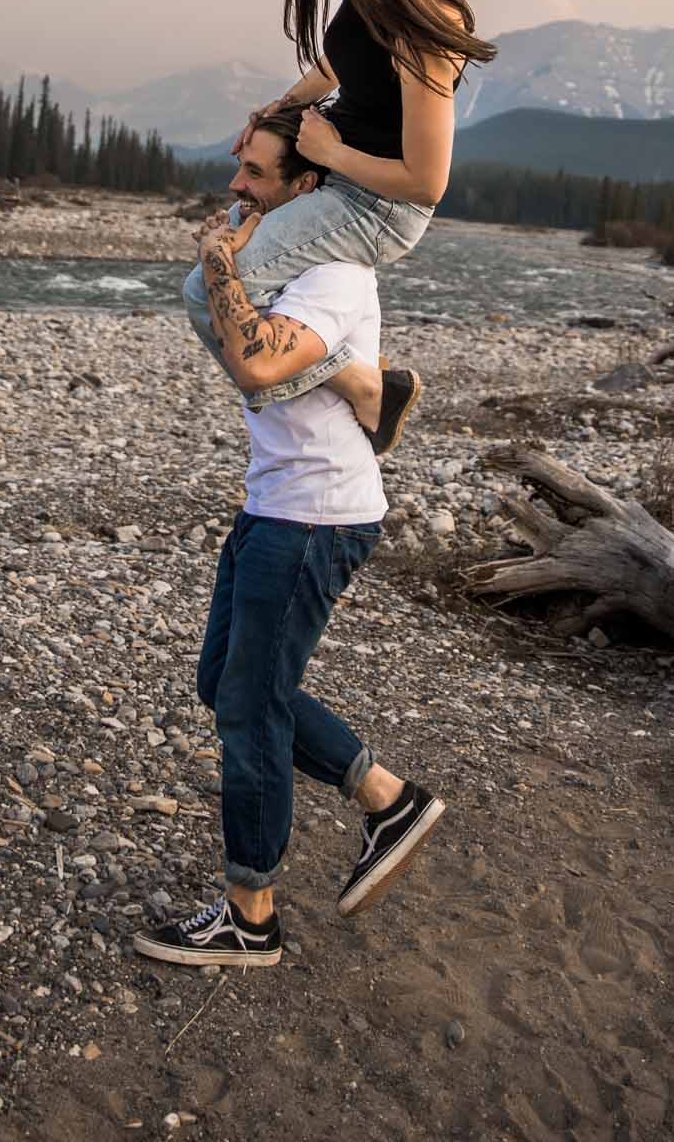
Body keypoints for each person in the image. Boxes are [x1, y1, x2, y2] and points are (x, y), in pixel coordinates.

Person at [135, 108, 445, 968]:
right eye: (238, 171)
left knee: (249, 705)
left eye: (257, 177)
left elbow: (258, 364)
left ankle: (251, 912)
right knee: (224, 682)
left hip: (317, 518)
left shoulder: (335, 274)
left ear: (306, 190)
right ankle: (387, 798)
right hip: (274, 506)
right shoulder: (282, 259)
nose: (236, 187)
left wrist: (214, 260)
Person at [183, 0, 495, 455]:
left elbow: (426, 184)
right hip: (333, 176)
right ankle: (357, 379)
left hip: (378, 206)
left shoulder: (425, 29)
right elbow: (338, 61)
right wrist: (284, 105)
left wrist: (330, 153)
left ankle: (366, 389)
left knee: (208, 289)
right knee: (218, 254)